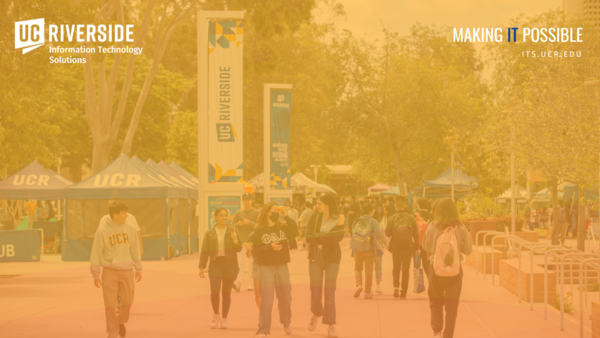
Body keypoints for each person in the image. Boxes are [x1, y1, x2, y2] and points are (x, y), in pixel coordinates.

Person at [90, 200, 143, 338]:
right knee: (110, 305)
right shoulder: (102, 230)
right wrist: (95, 274)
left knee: (128, 302)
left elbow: (135, 249)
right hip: (110, 271)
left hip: (127, 270)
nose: (126, 215)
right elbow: (95, 253)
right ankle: (112, 332)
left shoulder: (130, 228)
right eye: (124, 213)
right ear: (115, 214)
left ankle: (120, 322)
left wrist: (138, 268)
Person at [423, 198, 472, 338]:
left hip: (435, 269)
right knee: (452, 305)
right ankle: (448, 334)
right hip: (455, 270)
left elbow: (426, 247)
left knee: (435, 302)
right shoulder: (461, 227)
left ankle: (437, 332)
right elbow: (468, 250)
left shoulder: (432, 226)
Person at [249, 202, 299, 337]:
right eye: (275, 210)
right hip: (266, 267)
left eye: (278, 210)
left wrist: (286, 217)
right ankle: (263, 329)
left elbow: (294, 232)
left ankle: (286, 321)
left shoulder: (282, 226)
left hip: (282, 265)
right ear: (267, 213)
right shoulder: (258, 231)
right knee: (267, 299)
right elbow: (255, 251)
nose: (277, 212)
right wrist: (270, 247)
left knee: (286, 297)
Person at [306, 193, 345, 338]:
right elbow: (309, 237)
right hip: (315, 257)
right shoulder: (314, 217)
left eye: (319, 203)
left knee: (329, 293)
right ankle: (316, 314)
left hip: (332, 258)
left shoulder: (339, 217)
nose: (317, 205)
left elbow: (338, 237)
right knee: (315, 292)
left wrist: (319, 236)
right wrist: (325, 237)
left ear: (327, 205)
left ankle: (331, 325)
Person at [199, 208, 242, 329]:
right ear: (216, 217)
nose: (224, 217)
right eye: (221, 215)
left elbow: (239, 249)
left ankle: (224, 318)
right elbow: (205, 250)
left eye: (226, 215)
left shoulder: (233, 231)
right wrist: (201, 266)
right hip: (215, 264)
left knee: (226, 293)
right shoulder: (210, 233)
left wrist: (235, 240)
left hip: (230, 264)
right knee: (214, 291)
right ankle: (215, 314)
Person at [385, 195, 418, 300]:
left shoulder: (391, 218)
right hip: (408, 247)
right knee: (406, 269)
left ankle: (396, 286)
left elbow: (388, 233)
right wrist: (416, 246)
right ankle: (403, 292)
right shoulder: (411, 218)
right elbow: (415, 234)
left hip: (396, 246)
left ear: (395, 206)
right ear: (405, 205)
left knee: (396, 268)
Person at [351, 203, 381, 300]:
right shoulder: (373, 221)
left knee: (358, 268)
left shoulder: (357, 220)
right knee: (369, 271)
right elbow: (377, 235)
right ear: (371, 211)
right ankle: (367, 292)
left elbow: (353, 232)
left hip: (357, 248)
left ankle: (359, 285)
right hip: (369, 249)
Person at [231, 193, 260, 292]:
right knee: (240, 264)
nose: (247, 201)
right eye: (245, 199)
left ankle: (251, 284)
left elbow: (259, 227)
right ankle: (237, 283)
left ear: (252, 201)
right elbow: (232, 227)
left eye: (249, 199)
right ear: (242, 201)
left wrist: (249, 223)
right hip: (241, 242)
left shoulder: (256, 213)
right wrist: (239, 223)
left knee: (252, 264)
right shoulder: (239, 213)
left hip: (253, 243)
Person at [415, 198, 432, 280]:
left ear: (418, 205)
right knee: (427, 263)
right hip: (428, 243)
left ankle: (418, 284)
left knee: (417, 263)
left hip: (417, 243)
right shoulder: (432, 215)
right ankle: (430, 280)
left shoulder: (415, 215)